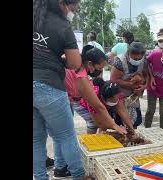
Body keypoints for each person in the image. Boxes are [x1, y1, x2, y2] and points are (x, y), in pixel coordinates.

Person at [33, 0, 94, 179]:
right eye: (73, 5)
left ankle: (39, 176)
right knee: (66, 136)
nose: (75, 9)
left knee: (36, 139)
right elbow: (75, 63)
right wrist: (59, 60)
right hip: (49, 86)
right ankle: (78, 175)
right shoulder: (61, 24)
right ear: (61, 3)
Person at [64, 45, 127, 135]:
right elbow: (98, 106)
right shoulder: (82, 76)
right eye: (99, 68)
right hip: (64, 98)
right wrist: (114, 125)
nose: (100, 71)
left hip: (67, 97)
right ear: (90, 64)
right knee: (65, 132)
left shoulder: (77, 67)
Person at [110, 42, 148, 128]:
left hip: (134, 98)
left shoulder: (144, 61)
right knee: (121, 123)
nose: (137, 60)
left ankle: (133, 138)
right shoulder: (119, 61)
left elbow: (147, 76)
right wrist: (129, 85)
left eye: (139, 59)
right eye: (135, 58)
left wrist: (144, 87)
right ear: (128, 54)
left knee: (134, 122)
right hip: (120, 96)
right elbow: (113, 80)